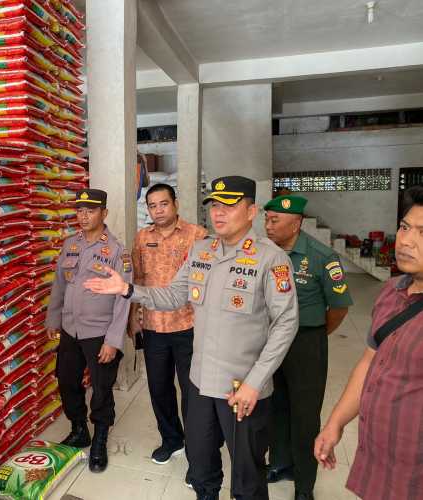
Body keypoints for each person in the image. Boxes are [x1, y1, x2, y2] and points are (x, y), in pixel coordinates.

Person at [85, 176, 299, 500]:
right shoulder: (202, 251)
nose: (219, 212)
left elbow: (286, 324)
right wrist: (128, 290)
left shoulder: (271, 259)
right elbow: (174, 295)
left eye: (229, 205)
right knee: (200, 463)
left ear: (252, 210)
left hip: (242, 387)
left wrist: (256, 381)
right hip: (200, 381)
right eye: (214, 205)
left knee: (247, 474)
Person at [314, 185, 423, 500]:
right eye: (404, 227)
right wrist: (336, 422)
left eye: (421, 232)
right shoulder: (392, 291)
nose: (405, 241)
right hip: (378, 453)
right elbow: (369, 362)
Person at [264, 195, 353, 500]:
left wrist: (316, 334)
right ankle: (279, 463)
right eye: (267, 219)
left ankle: (304, 485)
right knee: (275, 405)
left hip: (306, 342)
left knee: (304, 415)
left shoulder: (321, 257)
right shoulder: (265, 252)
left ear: (297, 223)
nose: (268, 225)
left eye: (275, 220)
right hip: (271, 340)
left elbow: (339, 306)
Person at [44, 188, 132, 473]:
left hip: (100, 333)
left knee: (102, 389)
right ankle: (79, 428)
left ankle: (100, 438)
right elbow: (60, 285)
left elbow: (123, 301)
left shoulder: (118, 251)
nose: (83, 216)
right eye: (80, 210)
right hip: (71, 329)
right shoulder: (70, 244)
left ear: (103, 213)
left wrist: (113, 341)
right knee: (67, 380)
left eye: (90, 210)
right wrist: (52, 319)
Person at [129, 183, 207, 465]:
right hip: (153, 327)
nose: (158, 210)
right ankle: (172, 439)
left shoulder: (197, 235)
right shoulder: (141, 237)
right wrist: (132, 318)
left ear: (175, 204)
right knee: (159, 388)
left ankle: (197, 449)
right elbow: (135, 280)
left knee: (192, 392)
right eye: (152, 205)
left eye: (163, 203)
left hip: (188, 325)